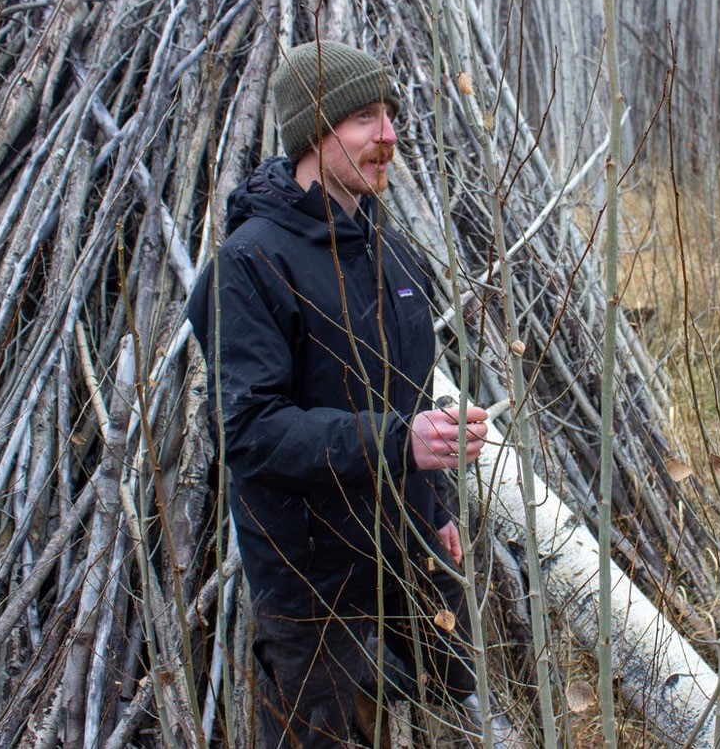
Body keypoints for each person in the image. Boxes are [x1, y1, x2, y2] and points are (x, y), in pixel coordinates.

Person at [187, 39, 499, 747]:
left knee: (450, 690)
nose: (388, 135)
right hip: (311, 572)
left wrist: (434, 503)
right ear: (312, 132)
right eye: (364, 118)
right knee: (317, 733)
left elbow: (409, 393)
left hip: (405, 544)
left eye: (391, 115)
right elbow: (251, 432)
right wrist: (399, 442)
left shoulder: (390, 249)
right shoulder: (249, 263)